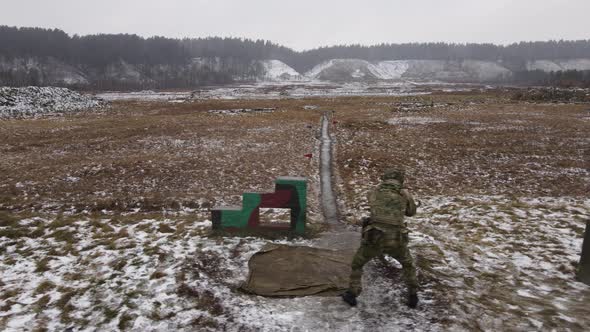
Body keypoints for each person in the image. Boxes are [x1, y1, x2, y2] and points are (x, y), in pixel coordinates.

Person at [342, 168, 419, 308]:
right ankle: (413, 295)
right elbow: (411, 213)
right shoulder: (405, 193)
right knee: (408, 265)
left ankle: (352, 294)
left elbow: (371, 202)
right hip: (397, 239)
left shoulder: (375, 191)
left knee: (358, 263)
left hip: (375, 238)